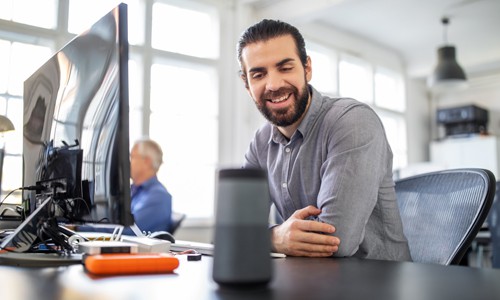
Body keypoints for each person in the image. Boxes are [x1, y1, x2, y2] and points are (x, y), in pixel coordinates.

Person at [237, 19, 411, 261]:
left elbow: (336, 241)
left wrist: (267, 238)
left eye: (285, 68)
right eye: (258, 74)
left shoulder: (352, 122)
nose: (274, 84)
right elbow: (235, 232)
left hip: (374, 283)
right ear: (247, 85)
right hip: (306, 280)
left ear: (307, 68)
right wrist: (277, 238)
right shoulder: (261, 141)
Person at [129, 138, 172, 234]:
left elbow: (129, 230)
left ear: (147, 162)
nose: (129, 162)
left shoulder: (159, 197)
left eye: (132, 157)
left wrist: (89, 228)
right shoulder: (134, 191)